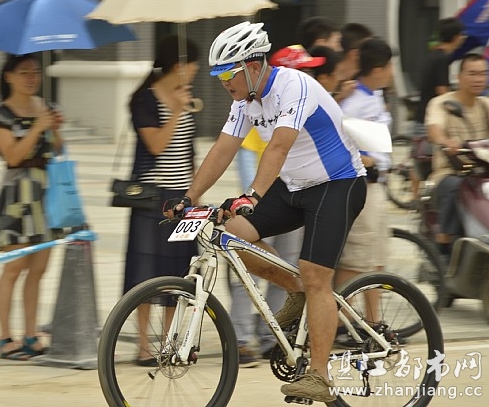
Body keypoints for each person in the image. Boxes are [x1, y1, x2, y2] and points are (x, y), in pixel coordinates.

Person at [165, 22, 366, 402]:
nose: (224, 83)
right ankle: (297, 291)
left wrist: (252, 195)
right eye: (219, 76)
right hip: (293, 186)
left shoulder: (294, 86)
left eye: (228, 74)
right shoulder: (245, 101)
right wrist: (188, 196)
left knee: (316, 275)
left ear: (253, 66)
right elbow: (223, 148)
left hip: (337, 184)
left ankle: (320, 375)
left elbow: (278, 147)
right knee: (232, 236)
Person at [228, 45, 322, 366]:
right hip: (263, 201)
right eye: (302, 70)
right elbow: (245, 155)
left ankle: (274, 336)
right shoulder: (260, 108)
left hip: (295, 194)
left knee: (285, 269)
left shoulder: (303, 107)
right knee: (248, 266)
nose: (308, 77)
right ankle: (240, 338)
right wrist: (252, 198)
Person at [123, 35, 199, 367]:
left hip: (182, 198)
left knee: (177, 270)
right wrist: (177, 111)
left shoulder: (185, 98)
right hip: (153, 198)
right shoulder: (145, 99)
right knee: (145, 271)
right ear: (179, 66)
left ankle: (169, 343)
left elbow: (188, 151)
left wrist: (195, 194)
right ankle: (143, 345)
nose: (195, 72)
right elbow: (156, 145)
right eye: (193, 65)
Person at [0, 53, 64, 360]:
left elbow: (57, 149)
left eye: (35, 72)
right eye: (24, 72)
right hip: (17, 198)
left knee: (38, 268)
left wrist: (55, 129)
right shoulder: (0, 116)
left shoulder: (45, 107)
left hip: (46, 195)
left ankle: (31, 334)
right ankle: (5, 337)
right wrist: (37, 127)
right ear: (9, 76)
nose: (32, 78)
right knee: (14, 267)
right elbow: (13, 156)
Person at [337, 38, 394, 321]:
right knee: (356, 261)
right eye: (390, 66)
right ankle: (338, 322)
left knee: (376, 260)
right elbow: (341, 142)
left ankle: (374, 322)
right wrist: (367, 159)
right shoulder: (353, 101)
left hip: (378, 185)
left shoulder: (375, 94)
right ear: (379, 69)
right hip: (363, 186)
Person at [424, 53, 489, 258]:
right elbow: (434, 129)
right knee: (456, 186)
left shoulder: (485, 104)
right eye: (472, 73)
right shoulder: (441, 103)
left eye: (483, 73)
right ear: (459, 76)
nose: (478, 79)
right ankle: (444, 244)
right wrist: (445, 141)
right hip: (450, 172)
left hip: (482, 174)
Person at [413, 17, 467, 192]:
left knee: (418, 157)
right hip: (431, 118)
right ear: (456, 37)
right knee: (428, 158)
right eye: (462, 35)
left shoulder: (432, 55)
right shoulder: (443, 59)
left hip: (421, 114)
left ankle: (415, 198)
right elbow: (442, 90)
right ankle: (422, 197)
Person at [335, 22, 373, 102]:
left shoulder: (361, 82)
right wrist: (339, 98)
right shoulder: (323, 79)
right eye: (369, 51)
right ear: (355, 54)